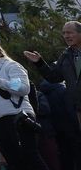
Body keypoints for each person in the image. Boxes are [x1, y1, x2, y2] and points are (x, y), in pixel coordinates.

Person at [0, 38, 47, 170]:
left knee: (31, 157)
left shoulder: (11, 66)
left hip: (18, 117)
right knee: (13, 161)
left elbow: (23, 87)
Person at [25, 20, 81, 170]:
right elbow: (54, 77)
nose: (66, 36)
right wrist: (39, 63)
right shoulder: (66, 55)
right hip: (77, 108)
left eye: (70, 32)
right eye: (64, 33)